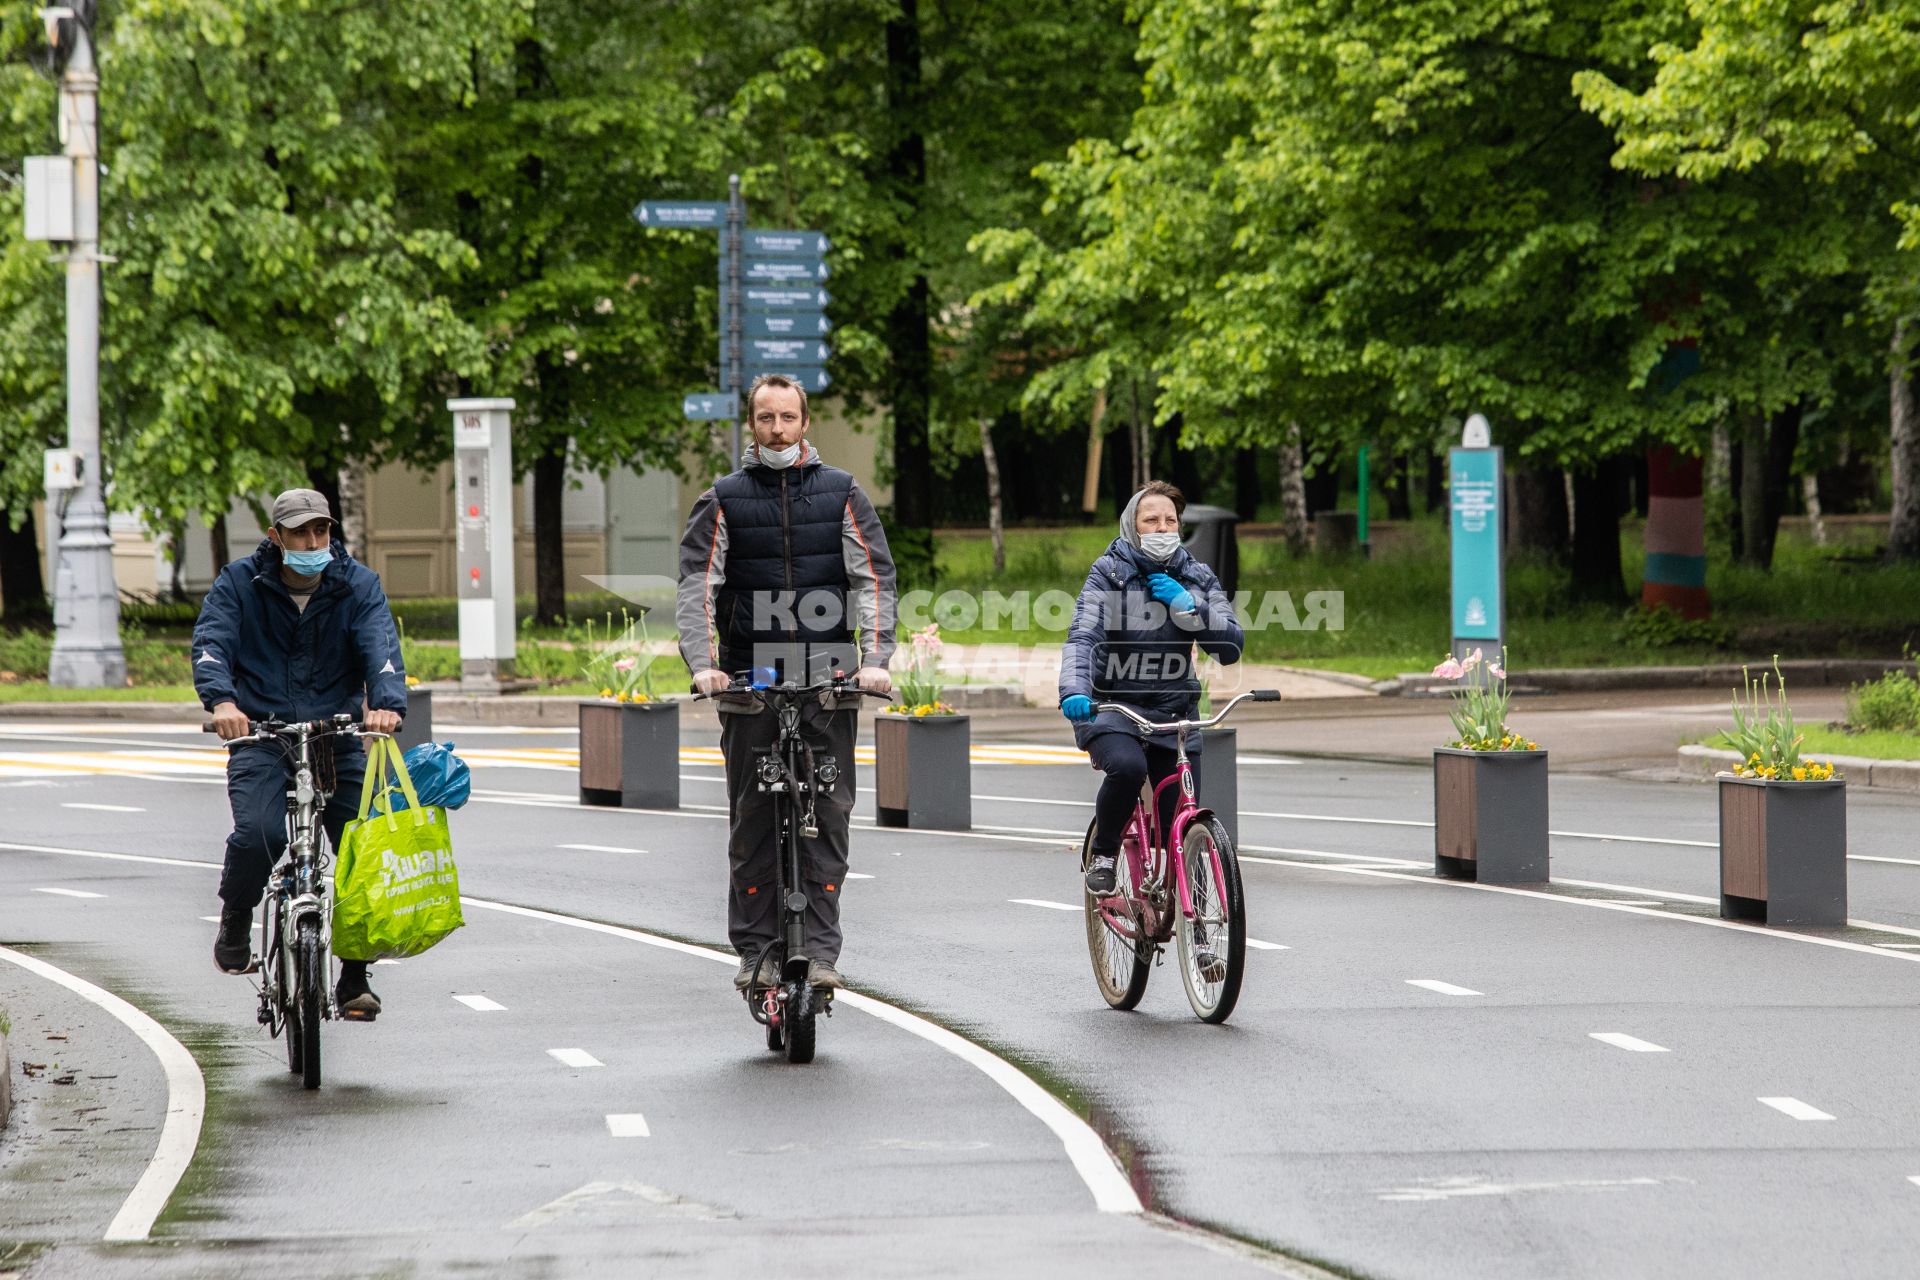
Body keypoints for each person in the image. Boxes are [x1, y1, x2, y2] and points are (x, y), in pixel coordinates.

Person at [676, 374, 897, 994]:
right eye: (766, 418)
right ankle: (754, 952)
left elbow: (873, 581)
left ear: (807, 423)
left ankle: (821, 954)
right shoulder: (721, 498)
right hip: (750, 679)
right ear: (752, 425)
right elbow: (699, 589)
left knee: (829, 816)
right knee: (751, 819)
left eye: (788, 418)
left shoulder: (842, 493)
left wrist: (874, 659)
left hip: (828, 679)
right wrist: (705, 665)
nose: (778, 429)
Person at [192, 488, 407, 1020]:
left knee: (364, 843)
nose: (314, 542)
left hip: (334, 734)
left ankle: (354, 976)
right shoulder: (239, 584)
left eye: (322, 531)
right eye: (301, 532)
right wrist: (222, 702)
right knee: (258, 834)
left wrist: (384, 707)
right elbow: (212, 643)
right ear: (276, 537)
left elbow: (380, 649)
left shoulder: (357, 585)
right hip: (261, 734)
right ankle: (237, 916)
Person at [1059, 480, 1244, 897]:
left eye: (1170, 521)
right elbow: (1082, 636)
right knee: (1128, 768)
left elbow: (1231, 646)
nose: (1162, 529)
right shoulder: (1108, 572)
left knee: (1182, 821)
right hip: (1112, 708)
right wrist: (1074, 690)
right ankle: (1104, 852)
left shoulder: (1196, 576)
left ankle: (1200, 930)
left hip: (1175, 712)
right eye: (1151, 521)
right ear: (1132, 525)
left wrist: (1190, 608)